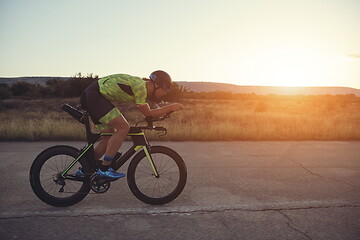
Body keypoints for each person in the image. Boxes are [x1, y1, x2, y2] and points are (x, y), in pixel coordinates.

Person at [77, 70, 184, 179]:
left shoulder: (143, 89)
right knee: (123, 128)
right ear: (157, 84)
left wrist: (165, 111)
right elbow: (148, 113)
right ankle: (104, 169)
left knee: (108, 137)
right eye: (165, 88)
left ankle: (86, 168)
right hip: (94, 96)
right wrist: (170, 107)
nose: (166, 92)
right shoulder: (141, 87)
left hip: (92, 96)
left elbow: (151, 112)